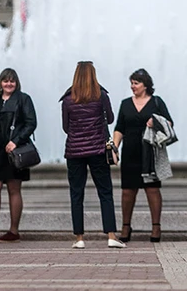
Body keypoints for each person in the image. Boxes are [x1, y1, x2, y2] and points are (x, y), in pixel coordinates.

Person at [60, 61, 125, 250]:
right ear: (93, 75)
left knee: (76, 194)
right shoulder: (101, 95)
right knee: (105, 192)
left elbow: (66, 127)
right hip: (97, 150)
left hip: (74, 152)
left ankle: (79, 238)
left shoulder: (67, 99)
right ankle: (111, 235)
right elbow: (111, 119)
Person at [0, 68, 37, 243]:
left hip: (14, 150)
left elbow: (31, 123)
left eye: (12, 81)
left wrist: (16, 141)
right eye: (5, 81)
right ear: (0, 83)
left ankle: (14, 231)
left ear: (16, 83)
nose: (9, 84)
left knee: (14, 189)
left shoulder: (23, 99)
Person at [113, 68, 173, 244]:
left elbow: (169, 122)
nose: (133, 86)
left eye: (136, 83)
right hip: (130, 151)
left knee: (152, 189)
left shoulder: (156, 102)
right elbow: (119, 128)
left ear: (145, 85)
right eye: (131, 83)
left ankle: (156, 226)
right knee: (127, 190)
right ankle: (125, 226)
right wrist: (114, 148)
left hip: (150, 152)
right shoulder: (125, 104)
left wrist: (156, 121)